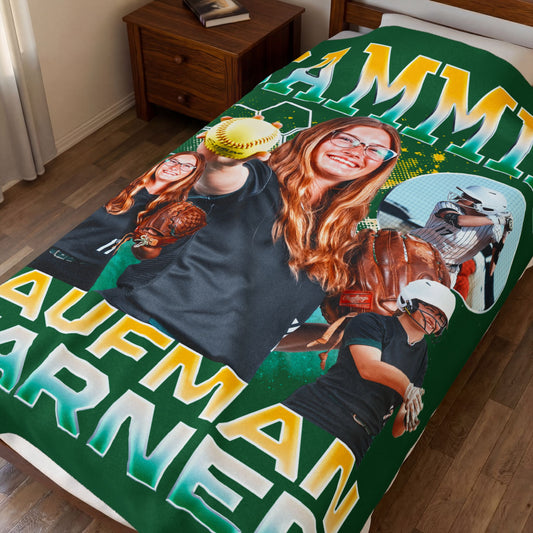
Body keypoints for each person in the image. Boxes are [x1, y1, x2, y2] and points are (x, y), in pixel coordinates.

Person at [100, 116, 401, 382]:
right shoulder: (257, 177)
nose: (356, 152)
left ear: (381, 166)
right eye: (346, 139)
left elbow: (268, 334)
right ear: (316, 138)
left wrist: (344, 336)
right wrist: (222, 155)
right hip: (140, 328)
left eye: (375, 150)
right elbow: (215, 178)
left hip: (210, 375)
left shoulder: (338, 242)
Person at [283, 280, 456, 464]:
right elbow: (368, 367)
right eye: (431, 309)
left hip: (357, 437)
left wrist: (410, 413)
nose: (434, 318)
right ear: (411, 302)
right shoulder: (371, 322)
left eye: (441, 317)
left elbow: (396, 430)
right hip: (319, 408)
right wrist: (407, 387)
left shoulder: (421, 355)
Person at [29, 152, 205, 290]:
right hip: (49, 254)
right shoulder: (122, 183)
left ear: (192, 175)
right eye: (173, 161)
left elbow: (145, 254)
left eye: (186, 166)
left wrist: (149, 240)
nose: (175, 167)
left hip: (85, 271)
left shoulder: (170, 209)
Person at [409, 185, 513, 285]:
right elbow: (458, 220)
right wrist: (495, 219)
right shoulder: (446, 205)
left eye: (468, 196)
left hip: (445, 271)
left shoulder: (492, 228)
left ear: (483, 207)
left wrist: (505, 233)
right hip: (413, 252)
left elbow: (493, 269)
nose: (461, 196)